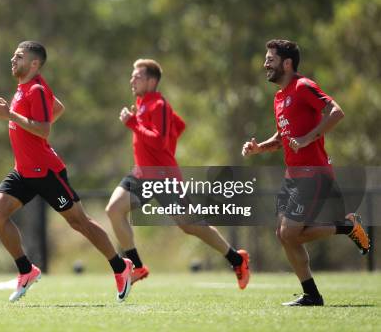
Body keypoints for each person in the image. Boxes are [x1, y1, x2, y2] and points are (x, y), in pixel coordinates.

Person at [0, 41, 133, 303]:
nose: (12, 59)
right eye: (13, 55)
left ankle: (121, 267)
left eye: (18, 56)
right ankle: (26, 270)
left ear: (34, 64)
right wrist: (16, 118)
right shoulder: (24, 88)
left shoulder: (37, 89)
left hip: (46, 172)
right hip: (23, 172)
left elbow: (43, 129)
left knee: (80, 223)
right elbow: (58, 109)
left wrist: (11, 116)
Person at [242, 39, 370, 306]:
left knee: (289, 233)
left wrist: (310, 138)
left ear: (287, 63)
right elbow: (283, 136)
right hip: (293, 175)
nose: (266, 63)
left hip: (314, 173)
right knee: (284, 235)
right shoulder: (279, 97)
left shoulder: (303, 86)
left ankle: (346, 226)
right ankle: (311, 294)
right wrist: (259, 148)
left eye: (271, 59)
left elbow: (337, 112)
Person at [105, 59, 250, 289]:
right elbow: (178, 126)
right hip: (141, 175)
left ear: (152, 81)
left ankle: (236, 259)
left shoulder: (159, 105)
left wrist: (133, 124)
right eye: (132, 75)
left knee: (191, 225)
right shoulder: (142, 102)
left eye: (138, 76)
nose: (132, 79)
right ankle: (136, 266)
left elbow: (160, 141)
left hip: (164, 178)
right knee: (114, 209)